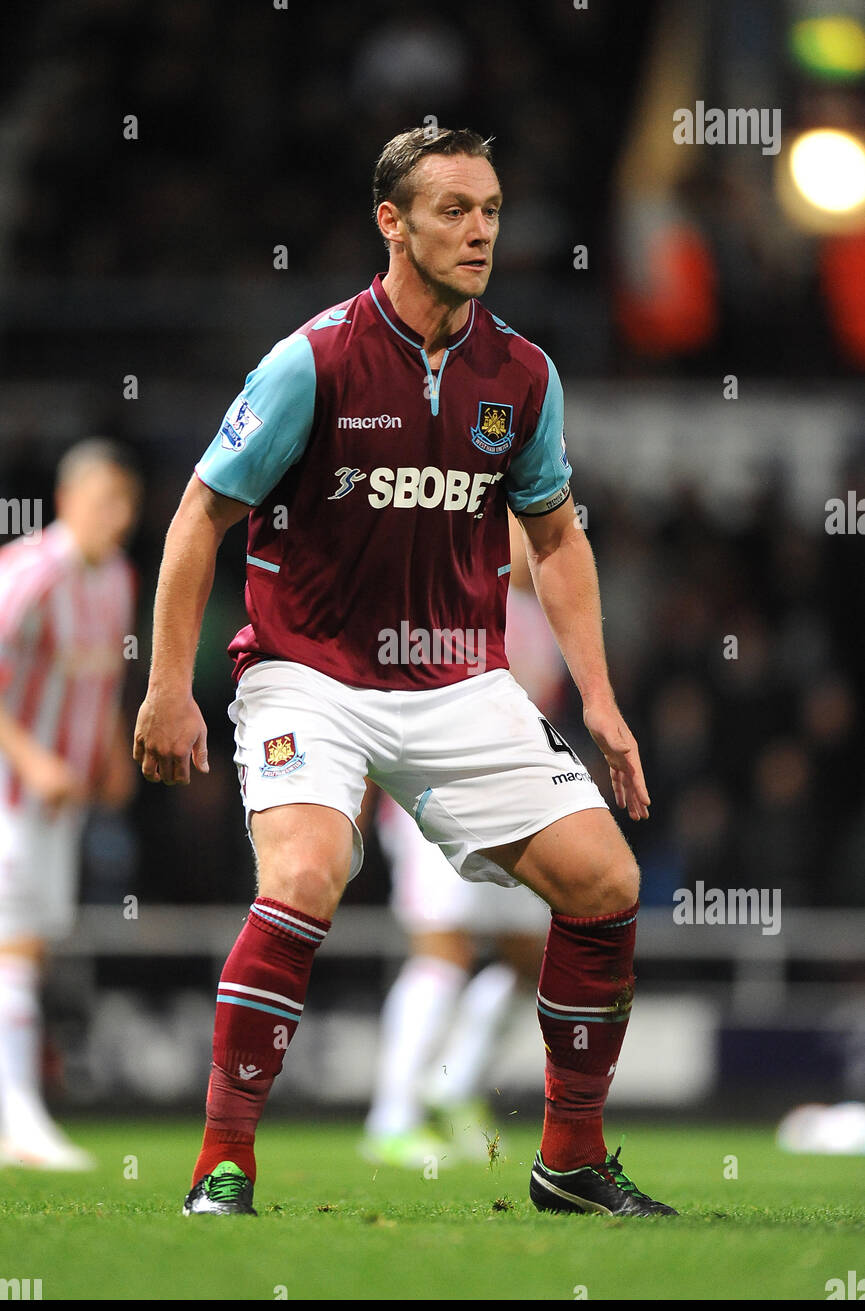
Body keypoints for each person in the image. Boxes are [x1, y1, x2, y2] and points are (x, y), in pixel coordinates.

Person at [134, 126, 677, 1218]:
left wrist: (603, 700)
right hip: (308, 674)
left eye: (490, 209)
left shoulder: (521, 374)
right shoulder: (315, 358)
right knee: (301, 879)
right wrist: (165, 685)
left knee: (607, 886)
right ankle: (221, 1163)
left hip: (459, 683)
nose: (479, 230)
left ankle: (568, 1160)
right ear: (392, 221)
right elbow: (202, 513)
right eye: (453, 210)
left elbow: (556, 538)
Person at [362, 515, 565, 1167]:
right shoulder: (443, 593)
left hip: (511, 809)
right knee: (441, 952)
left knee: (531, 956)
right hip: (436, 801)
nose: (537, 541)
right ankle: (390, 1116)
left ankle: (455, 1084)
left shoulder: (541, 620)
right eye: (522, 528)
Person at [0, 440, 140, 1168]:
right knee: (16, 949)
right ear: (65, 503)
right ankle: (20, 1123)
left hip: (59, 798)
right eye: (101, 504)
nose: (114, 519)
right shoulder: (30, 572)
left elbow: (101, 680)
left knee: (27, 947)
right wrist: (29, 754)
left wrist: (110, 752)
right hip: (11, 788)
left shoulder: (115, 577)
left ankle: (15, 1116)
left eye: (125, 505)